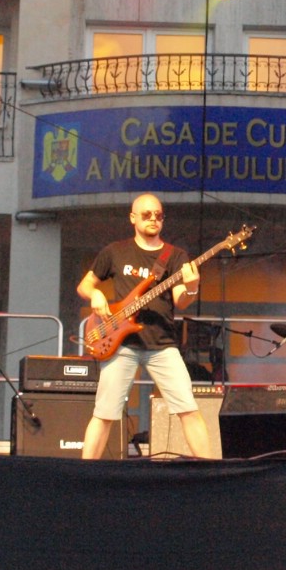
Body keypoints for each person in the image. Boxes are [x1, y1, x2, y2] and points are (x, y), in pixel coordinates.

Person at [76, 193, 213, 459]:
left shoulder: (176, 256)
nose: (153, 219)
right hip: (121, 343)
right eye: (147, 214)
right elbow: (85, 285)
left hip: (162, 344)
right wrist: (95, 295)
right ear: (133, 218)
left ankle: (212, 469)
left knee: (188, 408)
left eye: (158, 215)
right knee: (104, 413)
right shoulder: (115, 251)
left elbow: (180, 301)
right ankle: (84, 472)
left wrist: (192, 288)